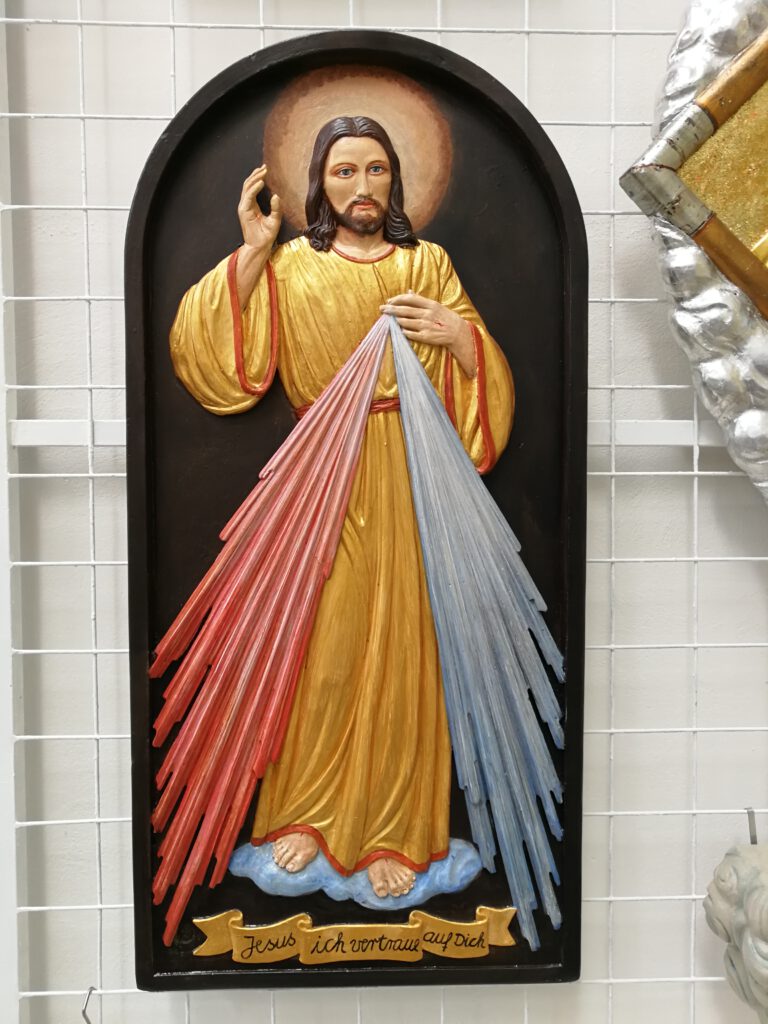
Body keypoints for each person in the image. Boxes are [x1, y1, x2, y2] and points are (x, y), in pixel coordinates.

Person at [166, 116, 515, 902]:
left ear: (398, 179)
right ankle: (302, 818)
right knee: (319, 650)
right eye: (344, 171)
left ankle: (396, 834)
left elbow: (480, 376)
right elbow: (219, 365)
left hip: (413, 474)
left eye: (377, 170)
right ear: (318, 183)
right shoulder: (292, 265)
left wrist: (459, 338)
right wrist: (252, 254)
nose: (363, 188)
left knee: (404, 652)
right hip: (320, 476)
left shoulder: (428, 264)